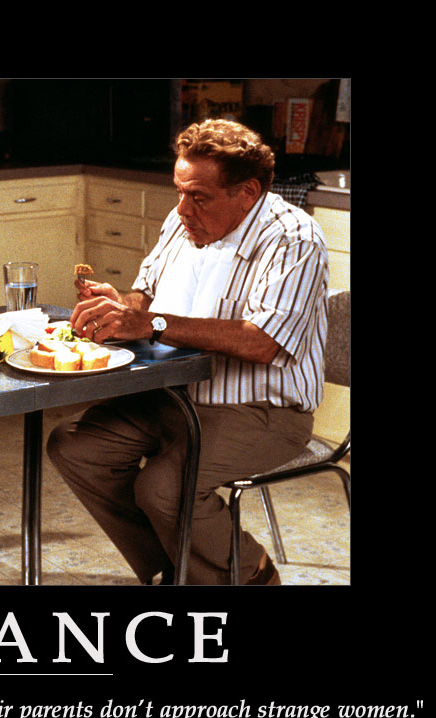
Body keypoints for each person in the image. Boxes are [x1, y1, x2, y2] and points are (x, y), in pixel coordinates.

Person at [47, 119, 329, 586]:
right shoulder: (184, 220)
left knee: (163, 488)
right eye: (179, 191)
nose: (183, 208)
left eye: (198, 196)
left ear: (248, 192)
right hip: (174, 396)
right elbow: (145, 296)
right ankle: (174, 567)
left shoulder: (293, 238)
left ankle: (251, 574)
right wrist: (120, 307)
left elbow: (262, 341)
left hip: (262, 410)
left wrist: (151, 324)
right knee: (75, 447)